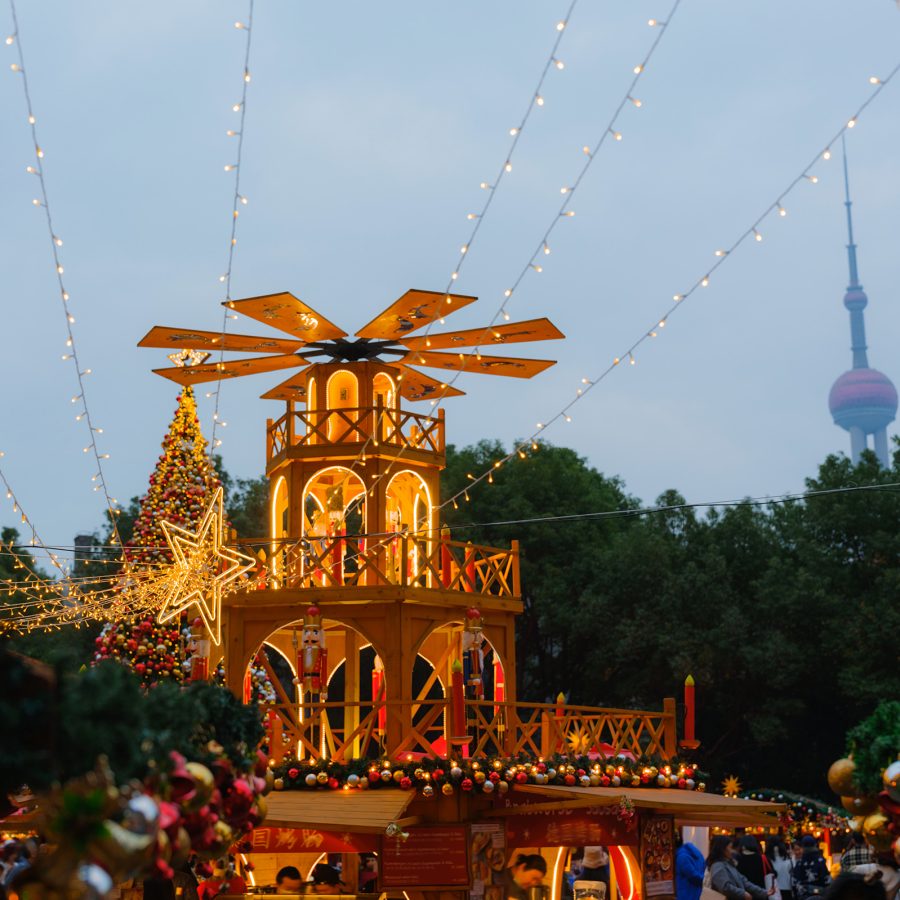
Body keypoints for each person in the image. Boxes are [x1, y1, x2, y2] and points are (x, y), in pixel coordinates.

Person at [707, 835, 770, 900]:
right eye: (730, 848)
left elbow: (744, 881)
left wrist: (764, 892)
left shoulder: (728, 864)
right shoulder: (718, 865)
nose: (732, 851)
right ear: (722, 849)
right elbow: (725, 887)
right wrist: (743, 894)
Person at [675, 835, 705, 900]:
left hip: (686, 895)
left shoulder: (682, 857)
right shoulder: (696, 852)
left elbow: (693, 875)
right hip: (696, 893)